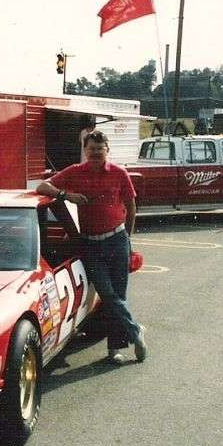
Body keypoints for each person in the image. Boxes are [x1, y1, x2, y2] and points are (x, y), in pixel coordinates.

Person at [36, 130, 147, 364]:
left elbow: (131, 206)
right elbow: (42, 187)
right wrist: (66, 195)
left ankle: (115, 349)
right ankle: (135, 330)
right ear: (85, 151)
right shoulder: (75, 172)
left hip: (117, 241)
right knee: (107, 294)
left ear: (107, 149)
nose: (95, 153)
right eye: (91, 149)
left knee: (119, 294)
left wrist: (128, 238)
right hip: (90, 244)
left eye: (100, 148)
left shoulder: (119, 173)